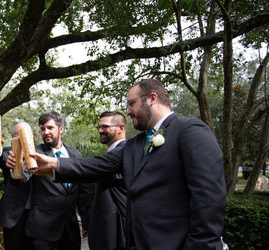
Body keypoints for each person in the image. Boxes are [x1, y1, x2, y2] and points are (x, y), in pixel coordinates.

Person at [31, 79, 227, 249]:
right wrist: (55, 164)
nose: (128, 111)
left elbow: (208, 200)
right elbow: (99, 165)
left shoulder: (190, 131)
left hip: (177, 242)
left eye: (131, 104)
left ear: (152, 98)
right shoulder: (134, 144)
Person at [25, 111, 91, 250]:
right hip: (42, 230)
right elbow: (25, 176)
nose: (46, 132)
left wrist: (86, 222)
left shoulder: (76, 155)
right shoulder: (34, 154)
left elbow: (82, 193)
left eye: (50, 128)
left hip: (70, 229)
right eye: (42, 129)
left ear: (61, 128)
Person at [89, 111, 128, 250]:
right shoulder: (112, 153)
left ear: (121, 128)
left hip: (118, 232)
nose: (100, 130)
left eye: (105, 127)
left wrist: (55, 165)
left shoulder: (125, 151)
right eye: (99, 127)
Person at [0, 122, 32, 250]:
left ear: (31, 135)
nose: (22, 137)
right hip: (13, 216)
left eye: (25, 133)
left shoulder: (39, 153)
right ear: (13, 137)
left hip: (36, 216)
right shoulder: (8, 152)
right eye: (18, 133)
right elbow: (1, 158)